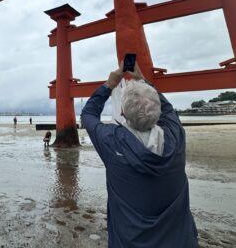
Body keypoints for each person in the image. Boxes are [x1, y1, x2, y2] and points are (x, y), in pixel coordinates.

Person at [81, 61, 198, 248]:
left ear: (122, 112)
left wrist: (109, 84)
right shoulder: (176, 137)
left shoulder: (112, 142)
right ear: (157, 111)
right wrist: (142, 80)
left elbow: (88, 115)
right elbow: (168, 111)